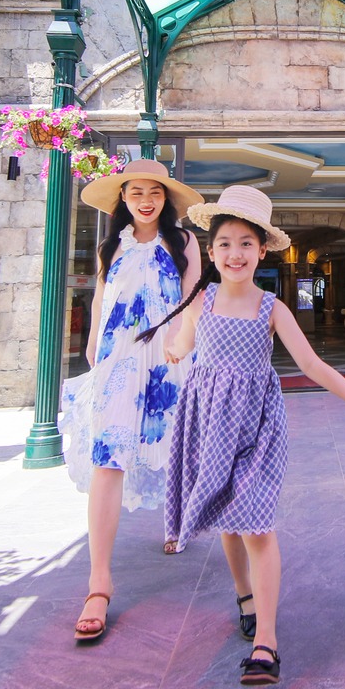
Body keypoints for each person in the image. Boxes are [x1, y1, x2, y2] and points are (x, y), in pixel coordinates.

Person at [157, 185, 345, 687]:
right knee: (228, 517)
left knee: (256, 523)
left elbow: (312, 365)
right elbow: (182, 344)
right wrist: (171, 347)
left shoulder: (272, 308)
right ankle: (245, 595)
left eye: (245, 243)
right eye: (225, 244)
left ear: (262, 251)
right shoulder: (201, 301)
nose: (234, 253)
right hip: (208, 421)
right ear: (211, 251)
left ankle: (267, 642)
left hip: (258, 425)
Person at [62, 159, 203, 644]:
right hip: (118, 360)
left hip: (168, 358)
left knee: (176, 448)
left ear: (166, 198)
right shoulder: (112, 245)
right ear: (122, 198)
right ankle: (99, 583)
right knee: (108, 457)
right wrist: (92, 346)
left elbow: (194, 297)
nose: (146, 200)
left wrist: (185, 342)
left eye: (155, 192)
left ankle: (175, 521)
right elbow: (101, 299)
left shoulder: (182, 241)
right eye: (136, 192)